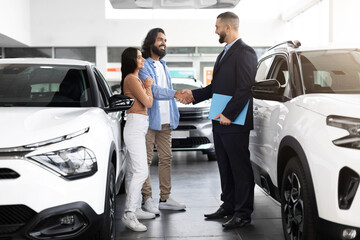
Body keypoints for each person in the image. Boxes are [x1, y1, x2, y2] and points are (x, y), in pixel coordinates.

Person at [181, 12, 257, 229]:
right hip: (219, 119)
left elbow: (245, 87)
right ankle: (229, 205)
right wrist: (193, 95)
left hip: (233, 121)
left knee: (240, 168)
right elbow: (215, 88)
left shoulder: (245, 52)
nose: (215, 31)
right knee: (224, 165)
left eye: (217, 27)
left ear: (228, 27)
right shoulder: (223, 54)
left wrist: (229, 114)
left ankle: (243, 213)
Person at [138, 28, 186, 215]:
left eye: (165, 39)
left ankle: (165, 198)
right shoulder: (144, 65)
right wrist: (176, 94)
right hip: (150, 121)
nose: (163, 43)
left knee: (166, 159)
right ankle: (147, 199)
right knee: (146, 161)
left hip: (166, 121)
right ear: (151, 43)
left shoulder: (164, 65)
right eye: (160, 39)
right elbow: (155, 91)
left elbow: (166, 89)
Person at [121, 47, 155, 232]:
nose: (142, 60)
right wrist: (148, 86)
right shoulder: (132, 79)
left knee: (134, 171)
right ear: (132, 60)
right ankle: (129, 213)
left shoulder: (135, 79)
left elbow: (146, 103)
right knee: (141, 171)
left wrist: (146, 86)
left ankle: (135, 209)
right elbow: (148, 103)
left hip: (139, 125)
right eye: (139, 57)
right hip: (135, 126)